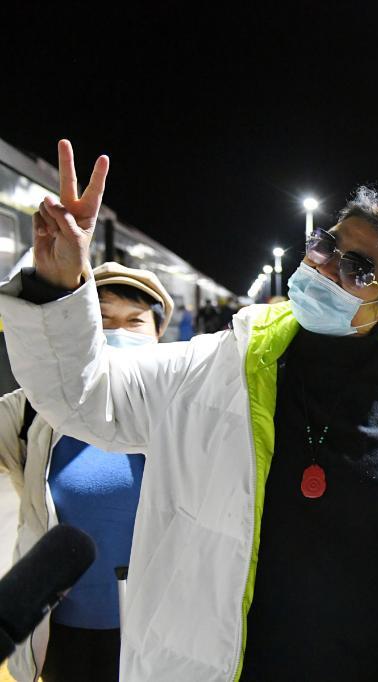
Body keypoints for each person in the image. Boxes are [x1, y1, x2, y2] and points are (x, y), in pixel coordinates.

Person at [0, 140, 378, 681]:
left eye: (357, 269)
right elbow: (84, 399)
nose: (327, 267)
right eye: (326, 245)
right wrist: (57, 287)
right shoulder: (216, 367)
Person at [0, 261, 172, 682]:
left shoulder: (183, 411)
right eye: (104, 320)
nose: (119, 332)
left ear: (159, 334)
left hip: (163, 630)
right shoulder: (32, 408)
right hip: (63, 636)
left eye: (135, 321)